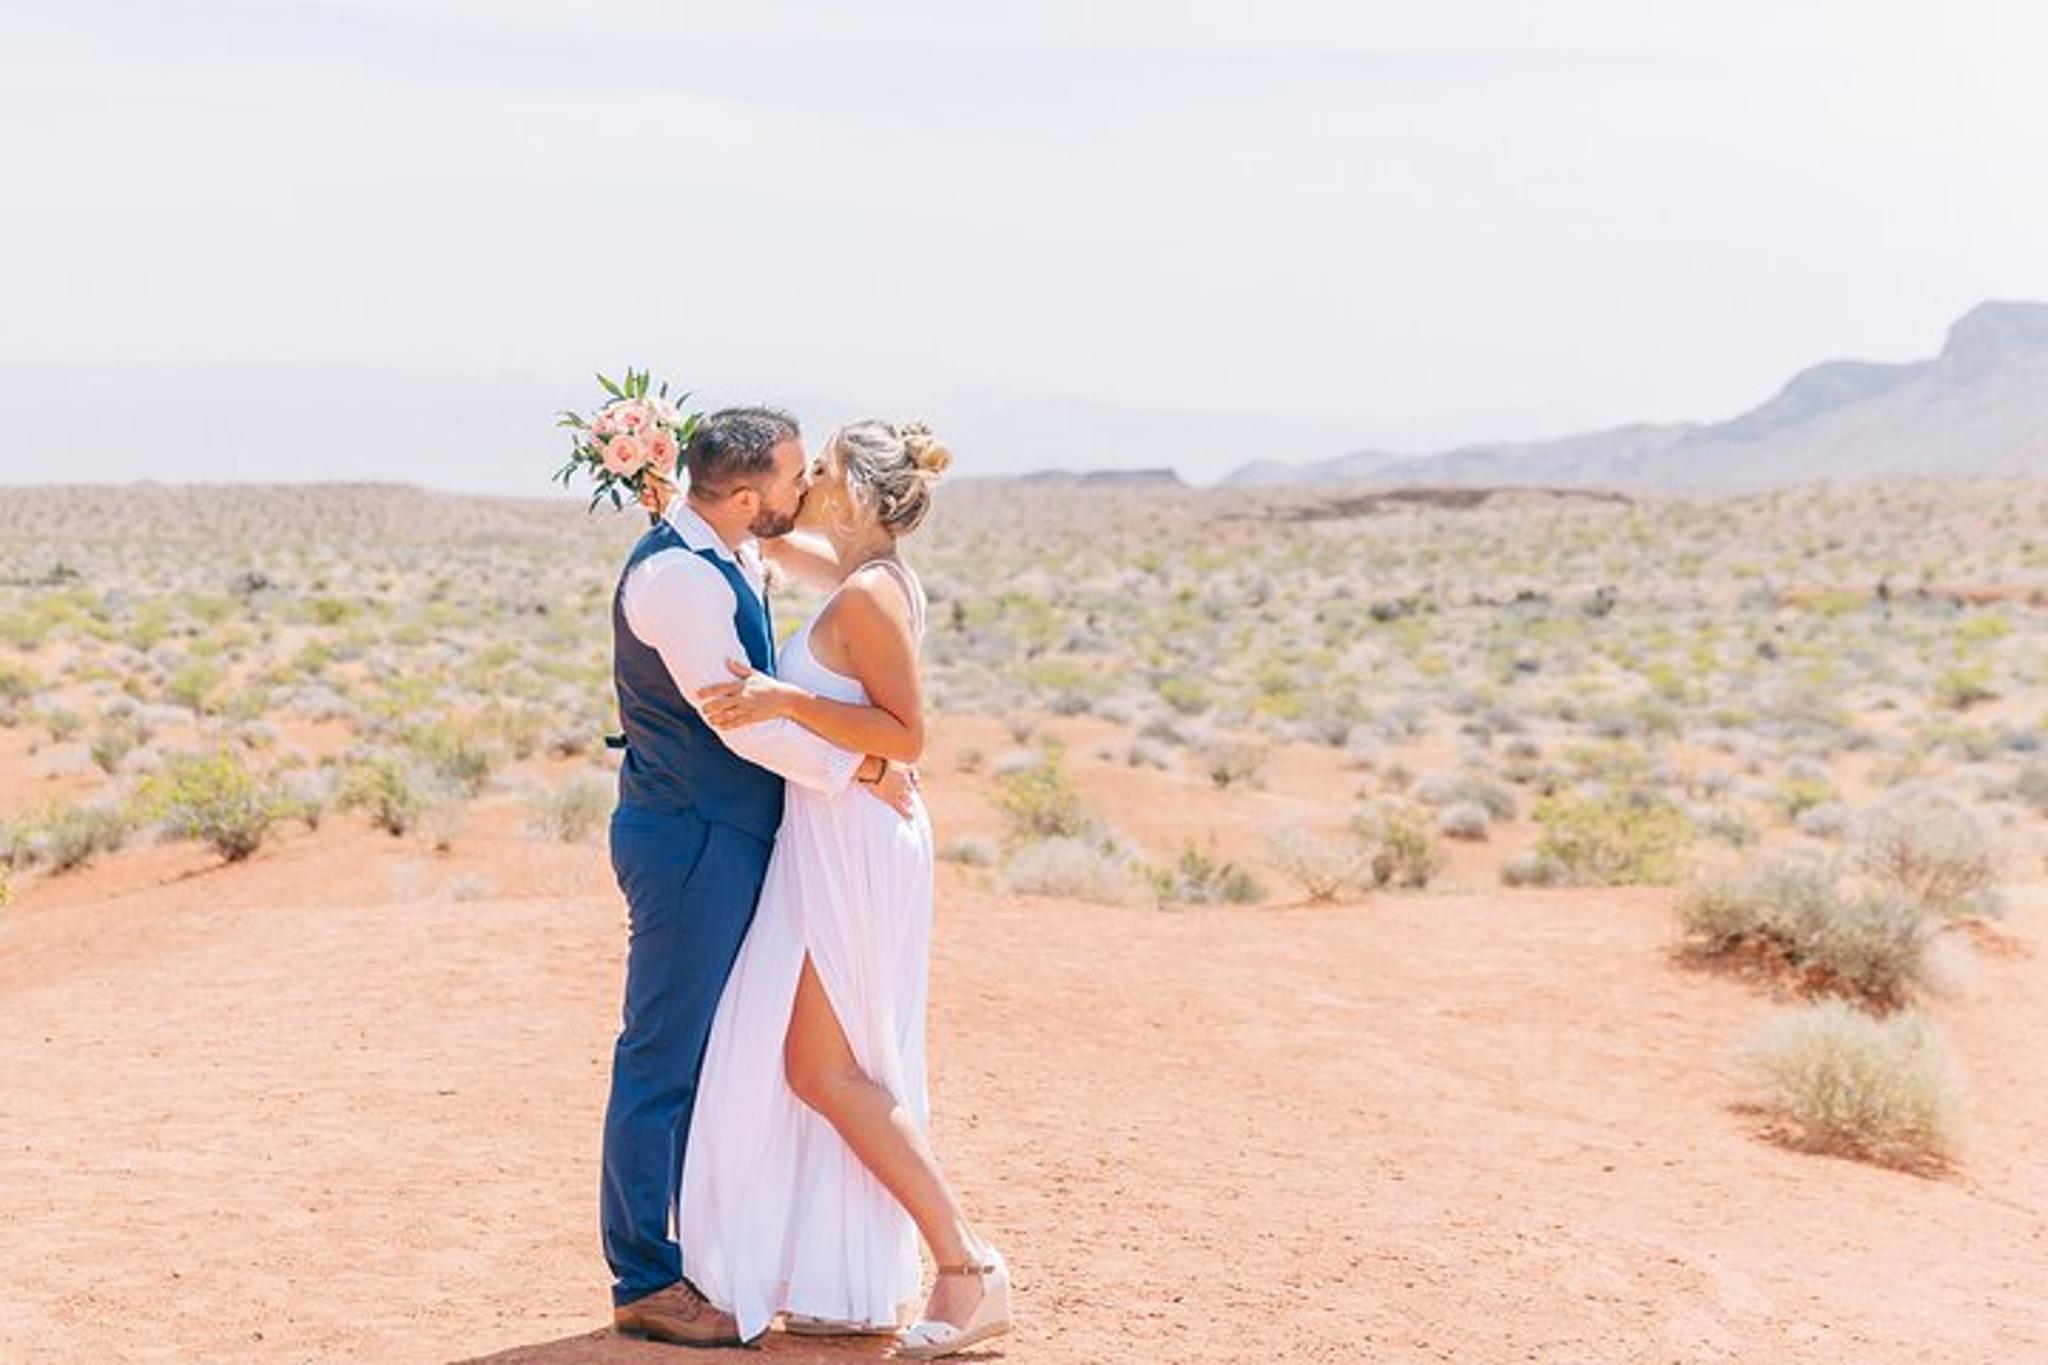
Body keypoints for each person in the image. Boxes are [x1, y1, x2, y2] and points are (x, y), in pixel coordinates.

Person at [678, 418, 1012, 1359]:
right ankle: (871, 1267)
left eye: (819, 468)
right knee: (824, 1063)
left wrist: (784, 700)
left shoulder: (870, 594)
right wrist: (669, 480)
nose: (805, 479)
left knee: (826, 1068)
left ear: (855, 492)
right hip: (829, 832)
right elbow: (766, 536)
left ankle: (969, 1266)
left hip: (857, 839)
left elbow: (906, 737)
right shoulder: (859, 571)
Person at [601, 407, 917, 1348]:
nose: (803, 490)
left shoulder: (726, 548)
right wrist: (859, 767)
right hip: (694, 838)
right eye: (791, 477)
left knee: (719, 1049)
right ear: (743, 494)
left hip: (737, 837)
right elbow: (740, 719)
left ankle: (708, 1250)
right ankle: (644, 1276)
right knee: (663, 1052)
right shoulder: (677, 581)